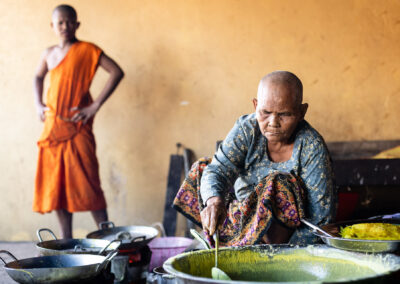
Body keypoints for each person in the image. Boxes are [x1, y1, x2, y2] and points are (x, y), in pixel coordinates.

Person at [174, 71, 336, 246]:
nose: (273, 122)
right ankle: (228, 243)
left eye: (285, 114)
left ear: (302, 112)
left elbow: (320, 217)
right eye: (265, 112)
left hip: (285, 233)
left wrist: (290, 253)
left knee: (277, 183)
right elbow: (218, 170)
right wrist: (214, 202)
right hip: (241, 218)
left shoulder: (311, 146)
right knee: (204, 168)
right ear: (255, 105)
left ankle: (267, 251)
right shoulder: (247, 129)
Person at [33, 4, 124, 239]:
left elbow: (116, 72)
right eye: (60, 22)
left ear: (77, 24)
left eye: (69, 22)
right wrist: (38, 103)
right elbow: (37, 76)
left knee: (89, 183)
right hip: (53, 126)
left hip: (78, 126)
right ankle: (66, 240)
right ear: (52, 26)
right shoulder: (48, 53)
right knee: (57, 187)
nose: (64, 26)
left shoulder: (88, 50)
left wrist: (95, 106)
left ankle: (109, 237)